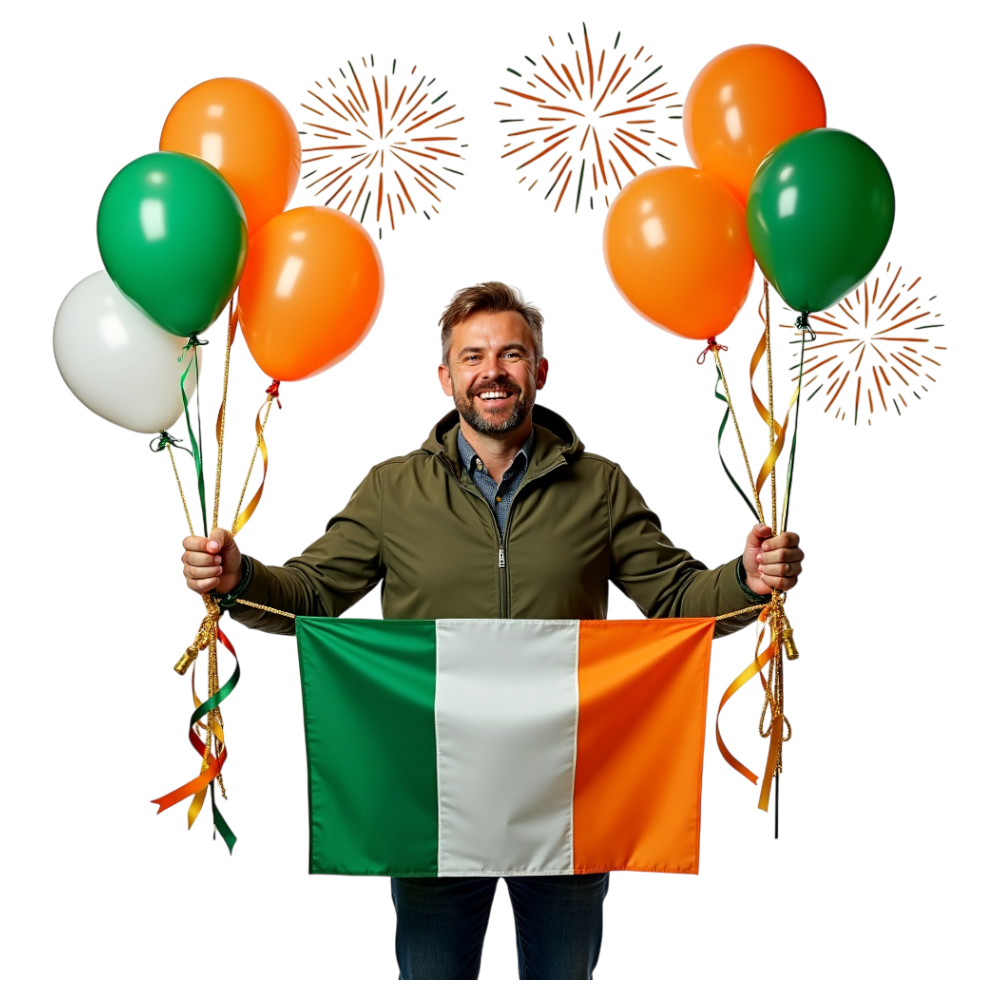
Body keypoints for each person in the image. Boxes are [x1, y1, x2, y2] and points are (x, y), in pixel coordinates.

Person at [181, 280, 803, 980]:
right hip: (434, 793)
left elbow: (676, 597)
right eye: (472, 356)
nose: (493, 371)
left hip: (566, 794)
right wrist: (240, 579)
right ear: (446, 378)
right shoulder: (393, 488)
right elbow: (312, 594)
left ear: (539, 371)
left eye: (512, 354)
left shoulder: (600, 485)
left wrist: (746, 583)